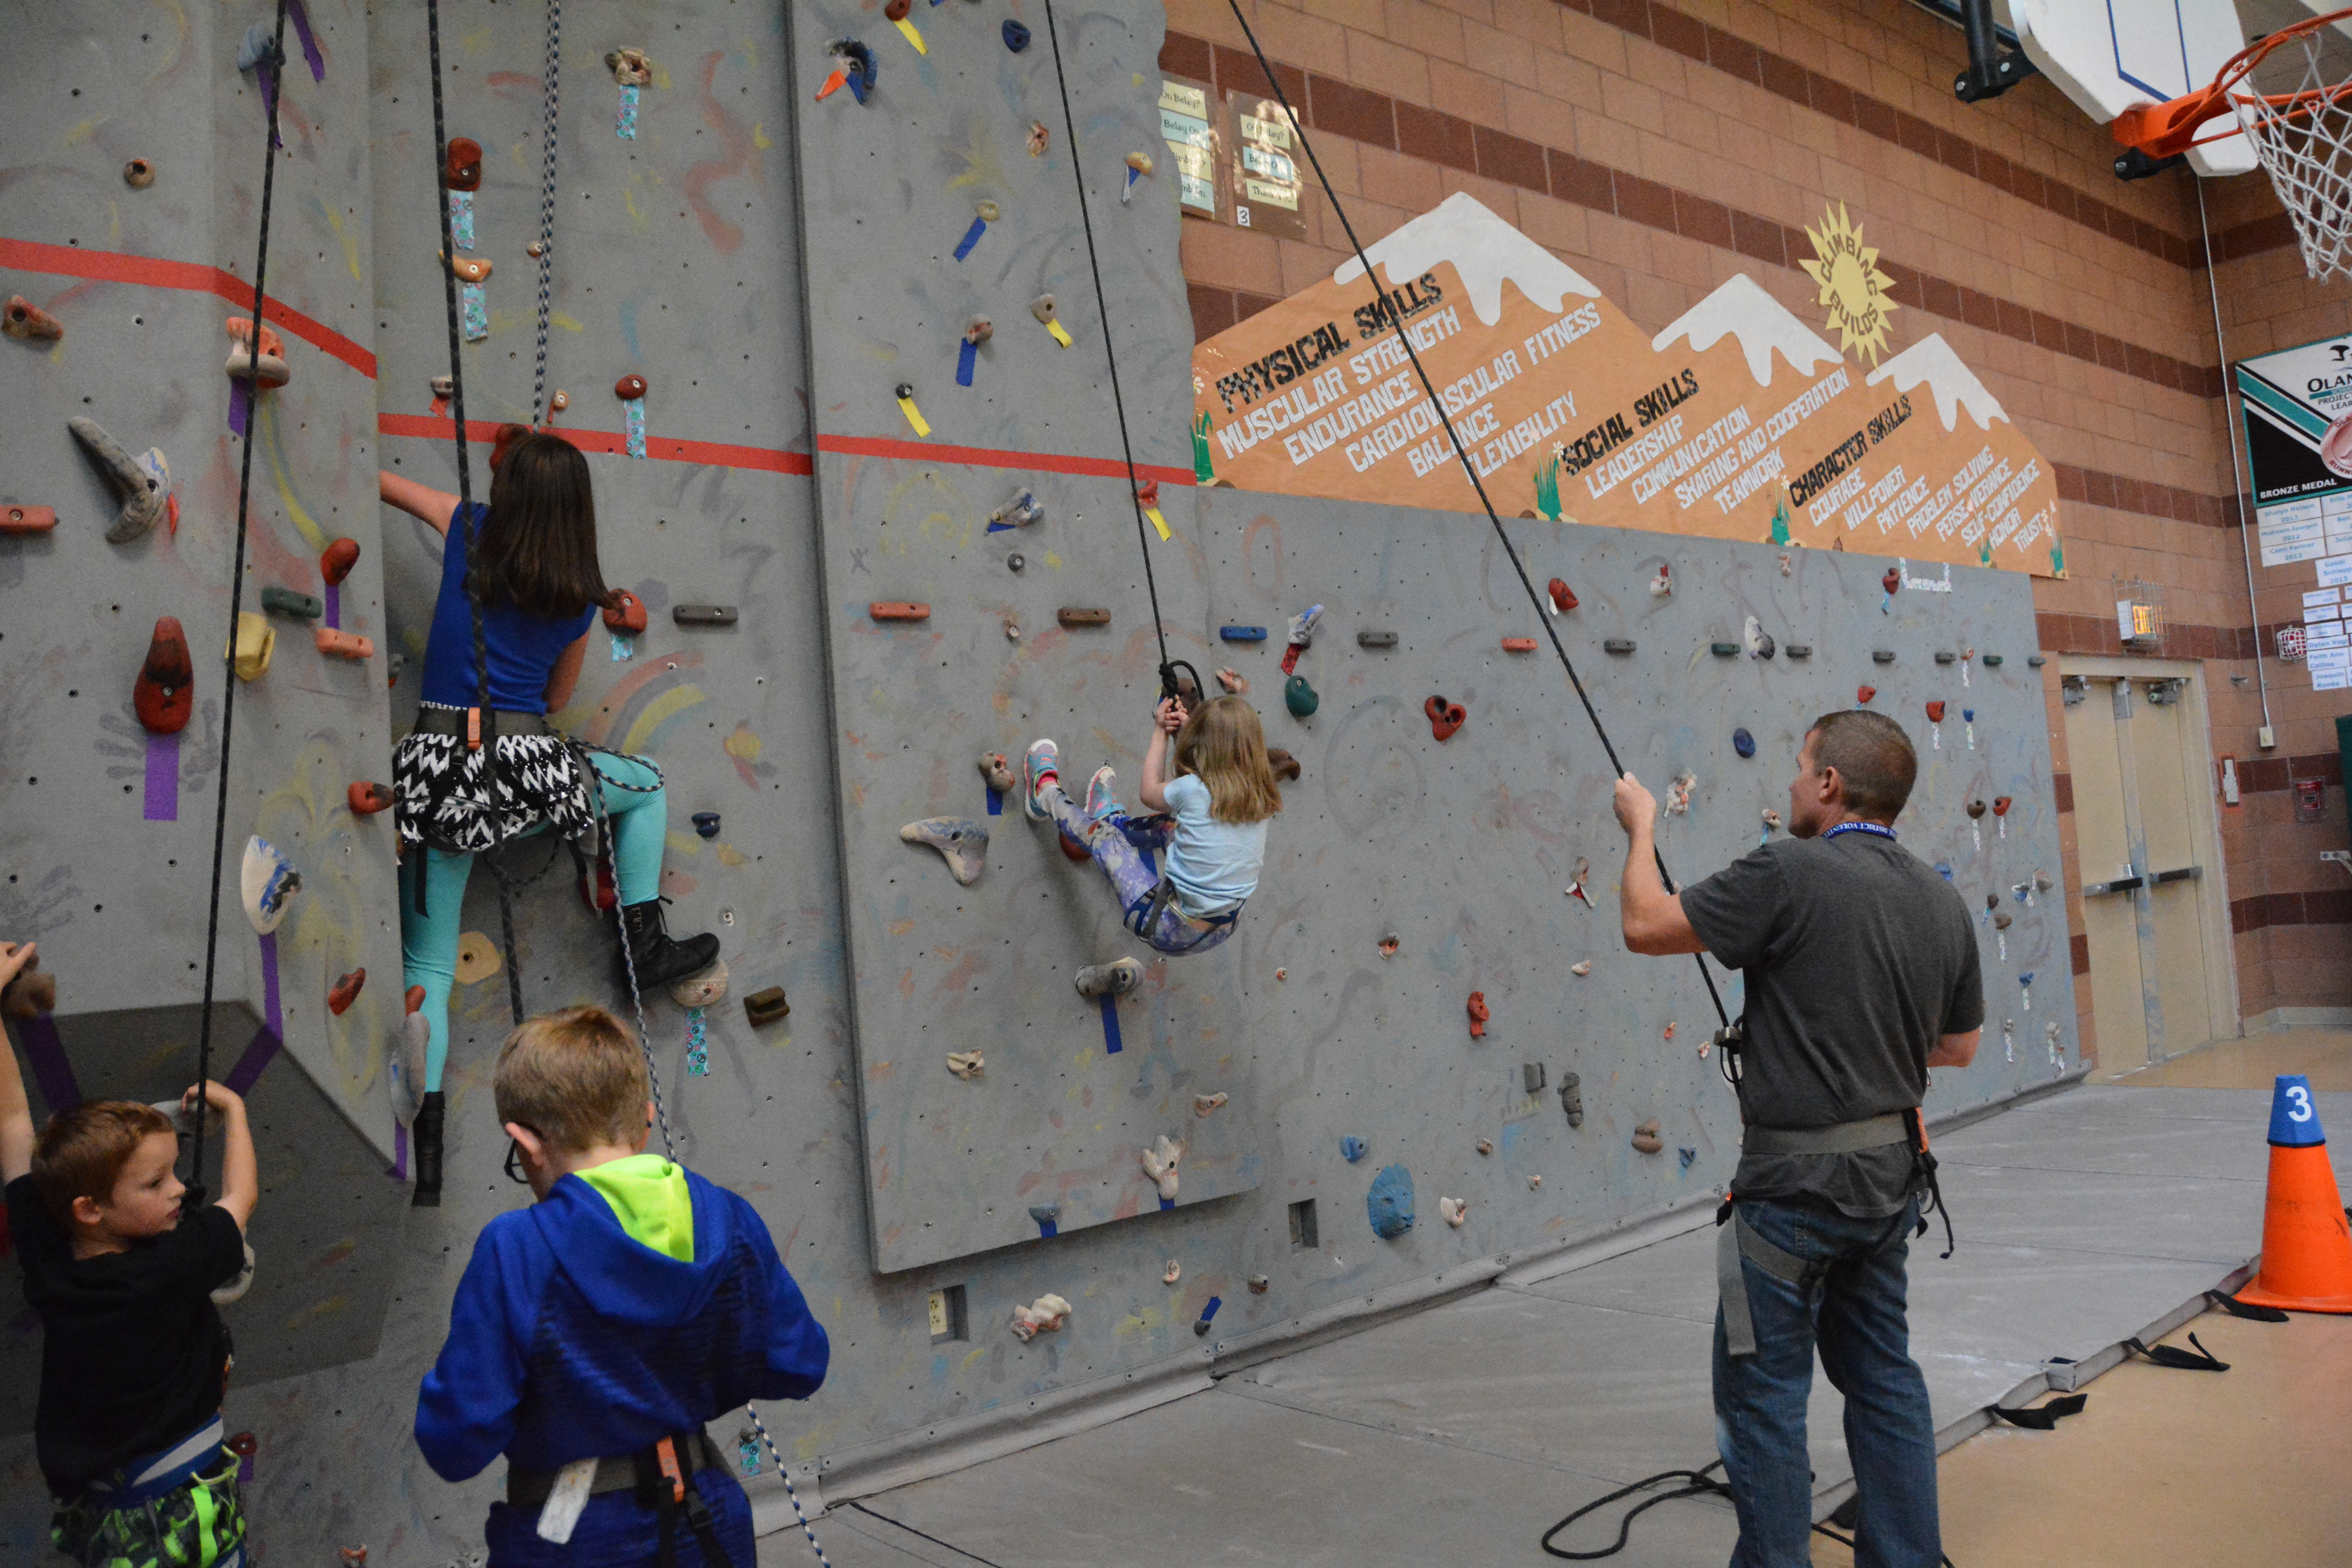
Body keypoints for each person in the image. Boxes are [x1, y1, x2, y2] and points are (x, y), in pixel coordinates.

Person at [1610, 710, 1980, 1568]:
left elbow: (1643, 924)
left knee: (1766, 1399)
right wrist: (1868, 1039)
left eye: (1798, 765)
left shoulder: (1788, 869)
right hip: (1889, 1184)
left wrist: (1642, 828)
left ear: (1829, 785)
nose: (1788, 783)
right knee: (1885, 1379)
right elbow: (1956, 1047)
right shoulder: (1939, 896)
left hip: (1789, 1195)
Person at [380, 432, 719, 1206]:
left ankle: (425, 1163)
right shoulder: (577, 597)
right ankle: (643, 939)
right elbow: (557, 701)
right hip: (530, 770)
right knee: (644, 783)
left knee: (429, 966)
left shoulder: (467, 526)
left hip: (441, 767)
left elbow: (391, 488)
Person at [414, 1005, 829, 1568]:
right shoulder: (729, 1222)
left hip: (571, 1537)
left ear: (525, 1143)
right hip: (706, 1520)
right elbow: (800, 1364)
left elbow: (455, 1444)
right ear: (647, 1120)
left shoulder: (516, 1247)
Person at [2, 938, 261, 1568]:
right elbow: (241, 1196)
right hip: (181, 1518)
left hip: (108, 1519)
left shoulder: (50, 1250)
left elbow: (12, 1122)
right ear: (91, 1209)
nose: (180, 1193)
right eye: (156, 1184)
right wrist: (236, 1110)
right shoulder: (168, 1265)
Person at [1020, 694, 1280, 958]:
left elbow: (1149, 793)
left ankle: (1044, 793)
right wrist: (1193, 731)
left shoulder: (1193, 790)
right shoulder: (1261, 794)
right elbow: (1208, 781)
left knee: (1106, 839)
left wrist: (1161, 732)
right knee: (1169, 826)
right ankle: (1109, 817)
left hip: (1164, 926)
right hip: (1222, 926)